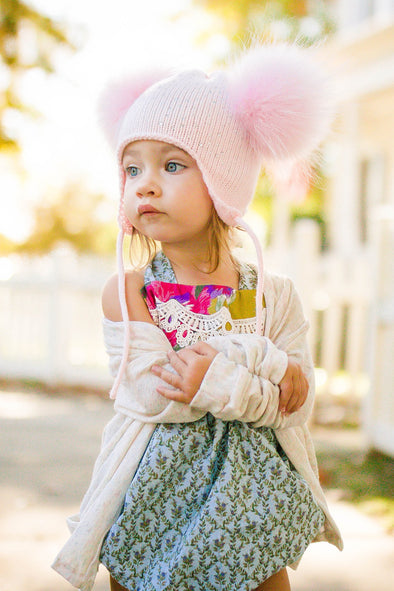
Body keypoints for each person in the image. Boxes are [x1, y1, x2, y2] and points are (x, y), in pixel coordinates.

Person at [52, 43, 343, 591]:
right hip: (152, 495)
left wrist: (215, 378)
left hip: (249, 506)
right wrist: (256, 373)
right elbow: (152, 396)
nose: (145, 183)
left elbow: (295, 404)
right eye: (132, 168)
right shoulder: (130, 291)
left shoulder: (272, 297)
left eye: (172, 164)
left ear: (224, 179)